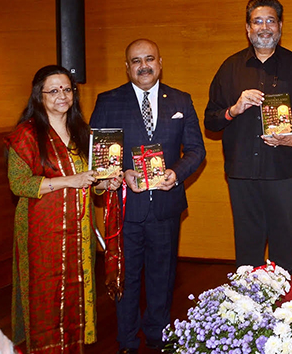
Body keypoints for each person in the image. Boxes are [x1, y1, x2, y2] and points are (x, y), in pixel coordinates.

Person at [90, 39, 206, 353]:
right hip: (127, 207)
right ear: (127, 67)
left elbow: (197, 150)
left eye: (150, 59)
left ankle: (157, 333)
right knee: (125, 278)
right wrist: (122, 174)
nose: (144, 66)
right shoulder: (108, 101)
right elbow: (100, 159)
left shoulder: (180, 100)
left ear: (160, 62)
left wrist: (177, 173)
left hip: (166, 206)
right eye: (136, 60)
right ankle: (127, 339)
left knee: (163, 275)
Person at [5, 65, 123, 353]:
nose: (62, 95)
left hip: (78, 235)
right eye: (54, 90)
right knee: (44, 297)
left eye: (67, 89)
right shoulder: (26, 134)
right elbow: (19, 184)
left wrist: (104, 184)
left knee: (74, 295)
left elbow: (90, 179)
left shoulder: (83, 132)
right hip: (41, 233)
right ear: (39, 96)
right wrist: (70, 181)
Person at [205, 0, 292, 273]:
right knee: (247, 249)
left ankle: (287, 311)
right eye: (258, 21)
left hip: (284, 173)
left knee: (283, 248)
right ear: (247, 28)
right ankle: (248, 311)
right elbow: (211, 121)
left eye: (271, 21)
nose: (264, 27)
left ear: (280, 26)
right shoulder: (229, 68)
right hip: (242, 173)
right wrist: (234, 108)